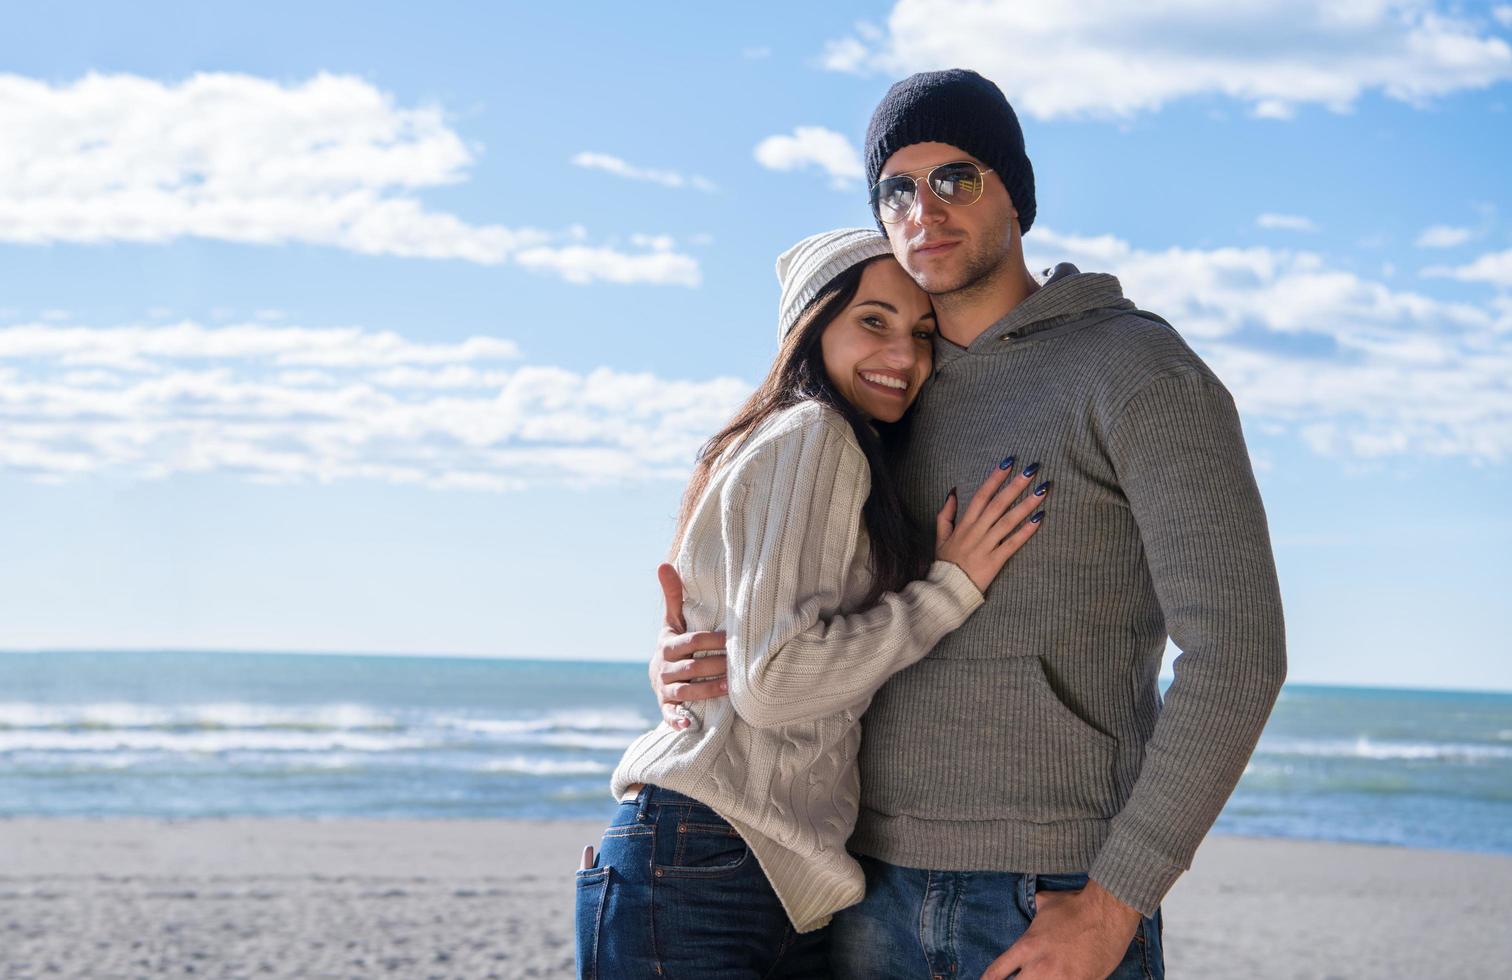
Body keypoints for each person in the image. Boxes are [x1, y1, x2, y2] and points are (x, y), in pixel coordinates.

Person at [651, 69, 1288, 980]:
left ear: (1016, 193)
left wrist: (1116, 901)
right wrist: (685, 659)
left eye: (955, 177)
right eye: (896, 189)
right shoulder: (879, 396)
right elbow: (785, 597)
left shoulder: (1137, 370)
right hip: (859, 890)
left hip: (1049, 893)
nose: (924, 209)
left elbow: (1240, 649)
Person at [575, 228, 1050, 979]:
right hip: (710, 861)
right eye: (874, 321)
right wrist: (949, 590)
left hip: (732, 865)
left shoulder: (798, 439)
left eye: (922, 333)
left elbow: (736, 652)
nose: (904, 355)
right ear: (811, 325)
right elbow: (775, 680)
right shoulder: (818, 434)